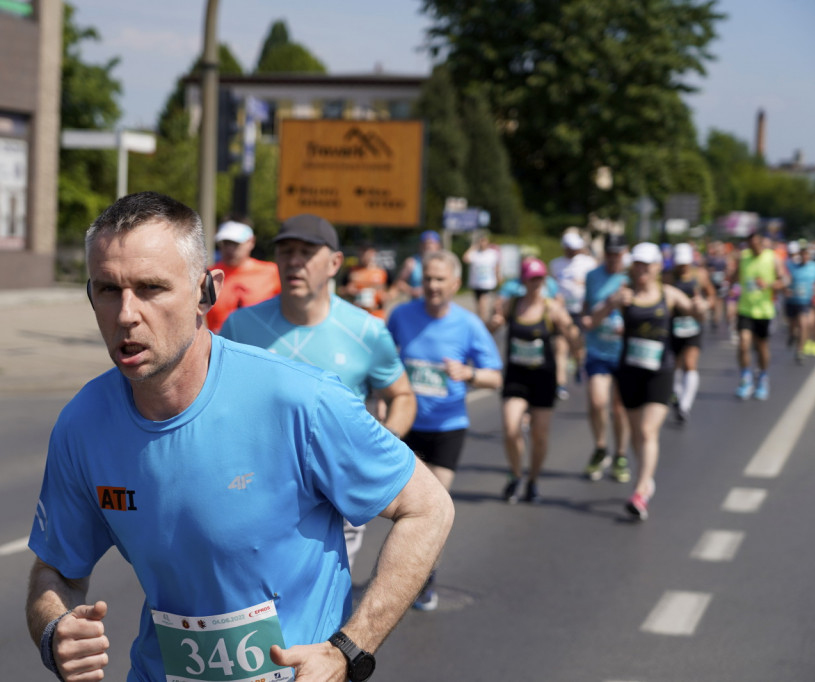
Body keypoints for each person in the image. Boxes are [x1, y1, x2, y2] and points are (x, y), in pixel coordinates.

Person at [26, 193, 452, 682]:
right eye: (107, 289)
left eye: (151, 288)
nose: (126, 314)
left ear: (206, 293)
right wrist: (55, 630)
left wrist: (348, 651)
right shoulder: (82, 424)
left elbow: (429, 508)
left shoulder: (300, 400)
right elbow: (54, 569)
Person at [221, 214, 417, 572]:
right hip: (259, 490)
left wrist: (381, 446)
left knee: (322, 602)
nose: (294, 261)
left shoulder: (367, 332)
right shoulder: (240, 326)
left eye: (306, 252)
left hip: (337, 493)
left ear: (334, 263)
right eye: (286, 251)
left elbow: (402, 396)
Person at [386, 249, 502, 610]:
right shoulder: (402, 316)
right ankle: (405, 571)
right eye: (427, 279)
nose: (432, 286)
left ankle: (424, 573)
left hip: (447, 427)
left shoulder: (468, 325)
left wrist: (468, 374)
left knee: (432, 505)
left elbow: (495, 377)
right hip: (407, 424)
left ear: (455, 284)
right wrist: (383, 400)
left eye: (439, 280)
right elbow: (384, 362)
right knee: (399, 507)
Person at [593, 242, 706, 520]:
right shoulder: (624, 295)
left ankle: (641, 490)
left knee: (647, 431)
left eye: (647, 264)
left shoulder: (668, 294)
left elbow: (696, 312)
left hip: (660, 371)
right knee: (635, 434)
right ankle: (645, 474)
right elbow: (592, 321)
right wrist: (610, 305)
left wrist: (700, 306)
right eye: (637, 264)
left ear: (657, 267)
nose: (641, 269)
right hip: (630, 371)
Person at [488, 257, 579, 504]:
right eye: (531, 278)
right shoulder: (512, 305)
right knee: (510, 427)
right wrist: (494, 323)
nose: (536, 283)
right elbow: (488, 331)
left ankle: (533, 480)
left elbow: (572, 334)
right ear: (524, 280)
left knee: (539, 435)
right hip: (517, 376)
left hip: (543, 378)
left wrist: (579, 356)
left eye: (540, 278)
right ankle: (516, 474)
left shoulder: (552, 309)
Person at [580, 233, 631, 482]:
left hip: (625, 351)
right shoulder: (592, 277)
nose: (613, 259)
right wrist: (609, 304)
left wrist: (629, 324)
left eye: (617, 254)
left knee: (620, 409)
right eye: (610, 254)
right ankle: (601, 448)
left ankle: (621, 455)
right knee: (598, 402)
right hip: (598, 350)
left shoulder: (632, 278)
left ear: (624, 254)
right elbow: (586, 317)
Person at [728, 230, 787, 400]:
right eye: (751, 245)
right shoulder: (743, 257)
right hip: (745, 309)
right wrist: (730, 284)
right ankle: (746, 378)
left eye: (757, 245)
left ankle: (763, 377)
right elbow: (733, 277)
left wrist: (767, 284)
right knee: (743, 343)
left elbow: (783, 281)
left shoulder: (773, 258)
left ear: (762, 243)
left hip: (764, 311)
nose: (754, 248)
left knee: (762, 347)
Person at [665, 243, 716, 421]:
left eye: (685, 264)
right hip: (673, 326)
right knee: (673, 366)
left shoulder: (699, 275)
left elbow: (712, 296)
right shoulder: (668, 277)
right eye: (679, 264)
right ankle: (677, 397)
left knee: (690, 363)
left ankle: (685, 406)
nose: (682, 267)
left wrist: (704, 304)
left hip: (693, 326)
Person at [204, 219, 280, 333]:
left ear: (251, 242)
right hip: (218, 344)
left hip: (259, 344)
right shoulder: (209, 274)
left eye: (235, 244)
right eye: (225, 243)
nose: (229, 249)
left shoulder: (272, 272)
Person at [549, 231, 597, 399]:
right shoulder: (556, 264)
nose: (574, 251)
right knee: (560, 348)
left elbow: (594, 285)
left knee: (578, 344)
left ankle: (579, 364)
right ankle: (560, 384)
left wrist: (582, 284)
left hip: (580, 311)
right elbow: (552, 286)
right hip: (562, 312)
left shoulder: (588, 263)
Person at [339, 243, 390, 318]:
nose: (364, 256)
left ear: (373, 253)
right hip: (357, 313)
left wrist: (385, 296)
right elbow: (340, 290)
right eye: (361, 252)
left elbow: (392, 290)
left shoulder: (382, 271)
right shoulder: (352, 271)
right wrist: (348, 290)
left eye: (366, 253)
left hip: (376, 314)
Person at [785, 241, 815, 362]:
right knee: (792, 326)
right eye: (802, 254)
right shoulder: (791, 265)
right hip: (792, 301)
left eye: (806, 254)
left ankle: (800, 351)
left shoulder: (813, 267)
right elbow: (784, 278)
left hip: (805, 302)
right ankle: (792, 335)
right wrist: (786, 288)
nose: (804, 256)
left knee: (804, 324)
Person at [463, 230, 501, 322]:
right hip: (476, 283)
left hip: (487, 283)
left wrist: (498, 276)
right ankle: (481, 319)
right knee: (478, 304)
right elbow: (465, 258)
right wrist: (473, 247)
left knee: (483, 302)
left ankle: (482, 321)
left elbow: (496, 266)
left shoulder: (492, 253)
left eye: (484, 241)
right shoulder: (475, 253)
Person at [392, 230, 442, 300]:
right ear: (420, 245)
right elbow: (400, 282)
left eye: (431, 243)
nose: (428, 246)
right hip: (417, 303)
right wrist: (411, 291)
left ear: (438, 246)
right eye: (425, 244)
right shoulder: (412, 262)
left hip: (437, 305)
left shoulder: (444, 263)